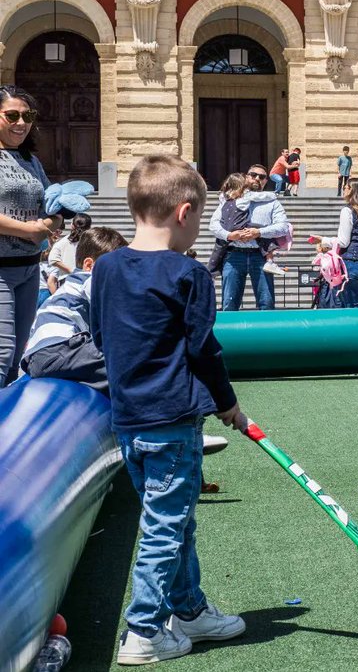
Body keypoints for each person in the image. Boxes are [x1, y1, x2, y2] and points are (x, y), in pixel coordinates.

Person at [91, 155, 246, 664]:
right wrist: (228, 404)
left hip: (129, 421)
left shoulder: (107, 267)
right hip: (173, 424)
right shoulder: (189, 274)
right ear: (184, 213)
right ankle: (144, 631)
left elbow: (100, 335)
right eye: (199, 219)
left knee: (173, 520)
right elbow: (204, 349)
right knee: (164, 527)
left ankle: (191, 610)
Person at [0, 86, 63, 387]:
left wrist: (52, 221)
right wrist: (29, 230)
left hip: (28, 269)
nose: (21, 123)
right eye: (11, 115)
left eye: (28, 115)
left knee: (15, 359)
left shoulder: (31, 160)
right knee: (1, 353)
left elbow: (52, 203)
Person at [21, 226, 128, 393]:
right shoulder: (89, 279)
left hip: (36, 359)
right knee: (126, 365)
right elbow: (109, 306)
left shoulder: (70, 284)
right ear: (89, 265)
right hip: (61, 347)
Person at [208, 164, 290, 311]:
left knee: (266, 303)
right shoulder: (231, 198)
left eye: (262, 177)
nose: (257, 178)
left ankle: (266, 332)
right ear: (246, 177)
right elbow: (214, 225)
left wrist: (259, 232)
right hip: (233, 255)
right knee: (229, 303)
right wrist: (229, 235)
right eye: (253, 175)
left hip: (260, 256)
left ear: (266, 181)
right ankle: (229, 334)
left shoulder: (271, 202)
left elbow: (283, 227)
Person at [313, 177, 358, 307]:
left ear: (352, 190)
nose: (344, 188)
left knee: (349, 306)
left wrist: (323, 240)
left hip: (350, 263)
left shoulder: (347, 210)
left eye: (346, 187)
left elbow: (343, 242)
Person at [48, 212, 92, 277]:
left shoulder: (62, 242)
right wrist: (72, 271)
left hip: (67, 281)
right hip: (86, 279)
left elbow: (53, 259)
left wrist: (71, 271)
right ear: (89, 227)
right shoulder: (92, 242)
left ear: (72, 225)